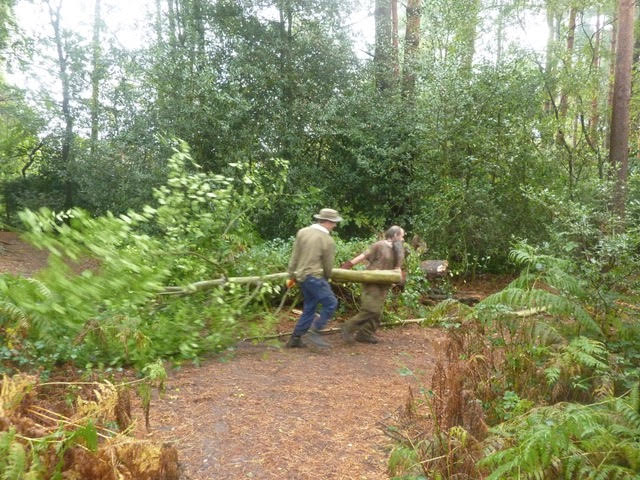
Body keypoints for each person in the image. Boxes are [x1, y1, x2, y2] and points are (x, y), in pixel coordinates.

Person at [285, 208, 342, 349]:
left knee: (310, 306)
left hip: (301, 277)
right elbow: (328, 265)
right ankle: (315, 331)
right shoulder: (327, 240)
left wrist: (291, 275)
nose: (335, 226)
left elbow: (295, 256)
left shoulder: (302, 232)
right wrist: (328, 278)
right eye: (334, 223)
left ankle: (295, 338)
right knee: (331, 303)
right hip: (315, 277)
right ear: (328, 222)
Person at [340, 225, 405, 344]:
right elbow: (364, 255)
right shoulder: (380, 245)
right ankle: (348, 327)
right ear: (395, 235)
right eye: (402, 236)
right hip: (372, 280)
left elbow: (398, 267)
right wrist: (348, 265)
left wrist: (399, 279)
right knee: (371, 309)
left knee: (377, 312)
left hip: (385, 283)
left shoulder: (398, 250)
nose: (403, 239)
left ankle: (365, 334)